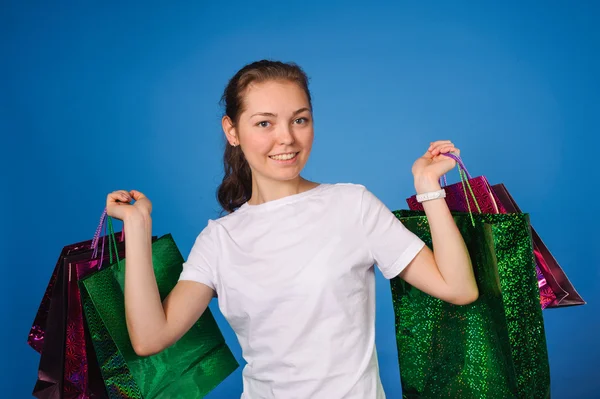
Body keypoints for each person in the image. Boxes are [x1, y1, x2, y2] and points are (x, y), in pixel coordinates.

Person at [106, 60, 478, 399]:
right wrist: (137, 229)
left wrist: (428, 187)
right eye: (264, 123)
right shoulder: (219, 241)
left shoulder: (352, 205)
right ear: (232, 130)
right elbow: (150, 338)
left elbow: (458, 289)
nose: (286, 138)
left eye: (299, 120)